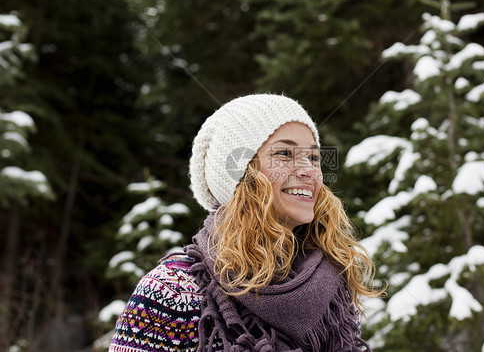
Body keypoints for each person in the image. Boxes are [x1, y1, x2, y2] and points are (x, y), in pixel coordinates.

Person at [108, 94, 382, 352]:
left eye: (313, 157)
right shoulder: (172, 290)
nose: (310, 170)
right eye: (284, 154)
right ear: (240, 175)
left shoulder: (331, 290)